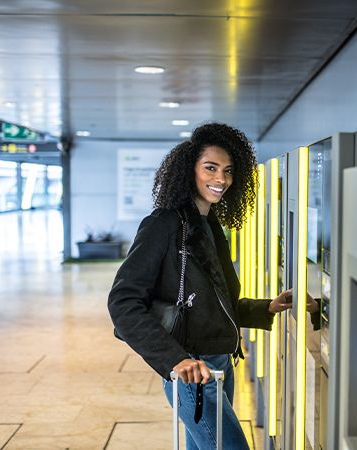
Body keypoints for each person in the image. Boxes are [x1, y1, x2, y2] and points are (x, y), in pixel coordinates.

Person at [108, 123, 308, 449]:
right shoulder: (164, 224)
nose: (221, 180)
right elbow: (123, 302)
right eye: (211, 168)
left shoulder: (209, 225)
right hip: (192, 372)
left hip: (220, 365)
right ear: (190, 170)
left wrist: (266, 307)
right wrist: (175, 359)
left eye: (228, 171)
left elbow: (216, 303)